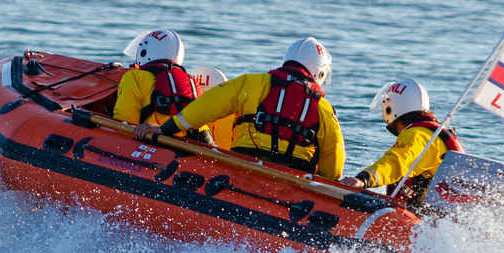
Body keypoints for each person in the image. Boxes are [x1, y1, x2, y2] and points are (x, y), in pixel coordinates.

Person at [134, 37, 346, 180]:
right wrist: (320, 186)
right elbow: (333, 165)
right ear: (320, 73)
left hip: (243, 167)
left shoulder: (251, 83)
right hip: (293, 179)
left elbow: (205, 107)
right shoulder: (323, 108)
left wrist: (166, 128)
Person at [340, 79, 464, 208]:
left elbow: (396, 163)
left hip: (422, 214)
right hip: (433, 211)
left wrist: (363, 179)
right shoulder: (431, 133)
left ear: (391, 108)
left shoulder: (417, 135)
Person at [113, 29, 213, 143]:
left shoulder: (134, 77)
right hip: (185, 146)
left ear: (144, 52)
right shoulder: (191, 82)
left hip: (151, 142)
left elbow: (125, 121)